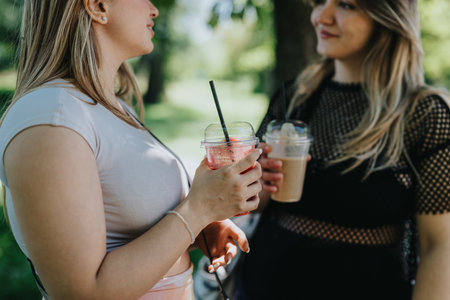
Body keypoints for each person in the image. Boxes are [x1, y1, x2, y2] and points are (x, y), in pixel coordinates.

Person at [0, 1, 262, 299]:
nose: (154, 9)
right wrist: (198, 209)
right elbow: (82, 292)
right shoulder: (52, 116)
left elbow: (125, 232)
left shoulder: (111, 108)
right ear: (98, 6)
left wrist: (199, 227)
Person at [234, 0, 450, 299]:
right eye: (320, 2)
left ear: (387, 17)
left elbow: (439, 247)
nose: (321, 16)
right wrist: (255, 183)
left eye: (346, 5)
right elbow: (254, 199)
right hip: (265, 283)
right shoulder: (295, 96)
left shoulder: (423, 115)